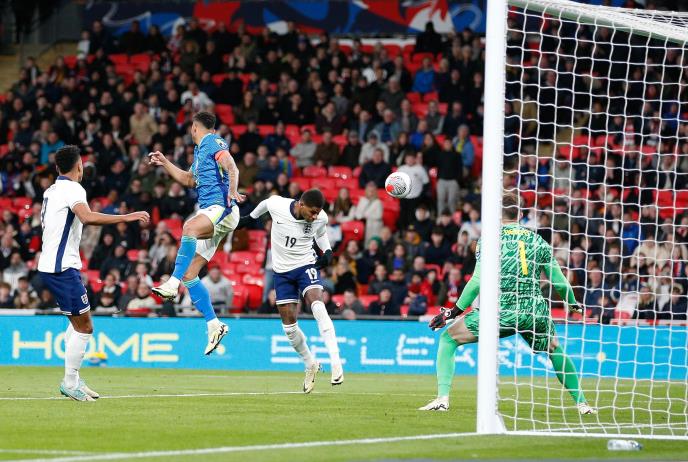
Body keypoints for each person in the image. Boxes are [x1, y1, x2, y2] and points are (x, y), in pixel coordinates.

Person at [419, 192, 596, 415]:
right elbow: (559, 281)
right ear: (520, 214)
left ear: (497, 214)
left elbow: (476, 281)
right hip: (534, 310)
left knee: (448, 339)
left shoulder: (489, 240)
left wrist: (453, 312)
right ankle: (582, 403)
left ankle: (442, 398)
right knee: (554, 349)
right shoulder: (537, 240)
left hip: (501, 311)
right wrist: (572, 303)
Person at [38, 145, 150, 401]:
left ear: (57, 167)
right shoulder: (73, 189)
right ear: (79, 166)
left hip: (53, 265)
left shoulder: (51, 190)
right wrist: (126, 217)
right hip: (61, 268)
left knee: (76, 324)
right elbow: (87, 217)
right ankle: (70, 383)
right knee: (85, 327)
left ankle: (73, 379)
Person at [149, 111, 243, 355]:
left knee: (189, 227)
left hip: (221, 207)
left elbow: (231, 166)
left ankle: (171, 284)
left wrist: (232, 190)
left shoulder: (213, 141)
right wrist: (165, 162)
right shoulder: (200, 152)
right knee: (190, 273)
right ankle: (214, 325)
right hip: (213, 211)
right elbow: (189, 179)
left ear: (194, 127)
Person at [237, 189, 344, 392]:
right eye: (312, 212)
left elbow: (321, 233)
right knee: (289, 328)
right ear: (301, 205)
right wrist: (250, 217)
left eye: (317, 213)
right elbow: (265, 204)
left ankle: (336, 362)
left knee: (317, 305)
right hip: (282, 273)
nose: (315, 216)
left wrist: (328, 251)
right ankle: (310, 363)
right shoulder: (278, 205)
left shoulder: (320, 218)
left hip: (305, 265)